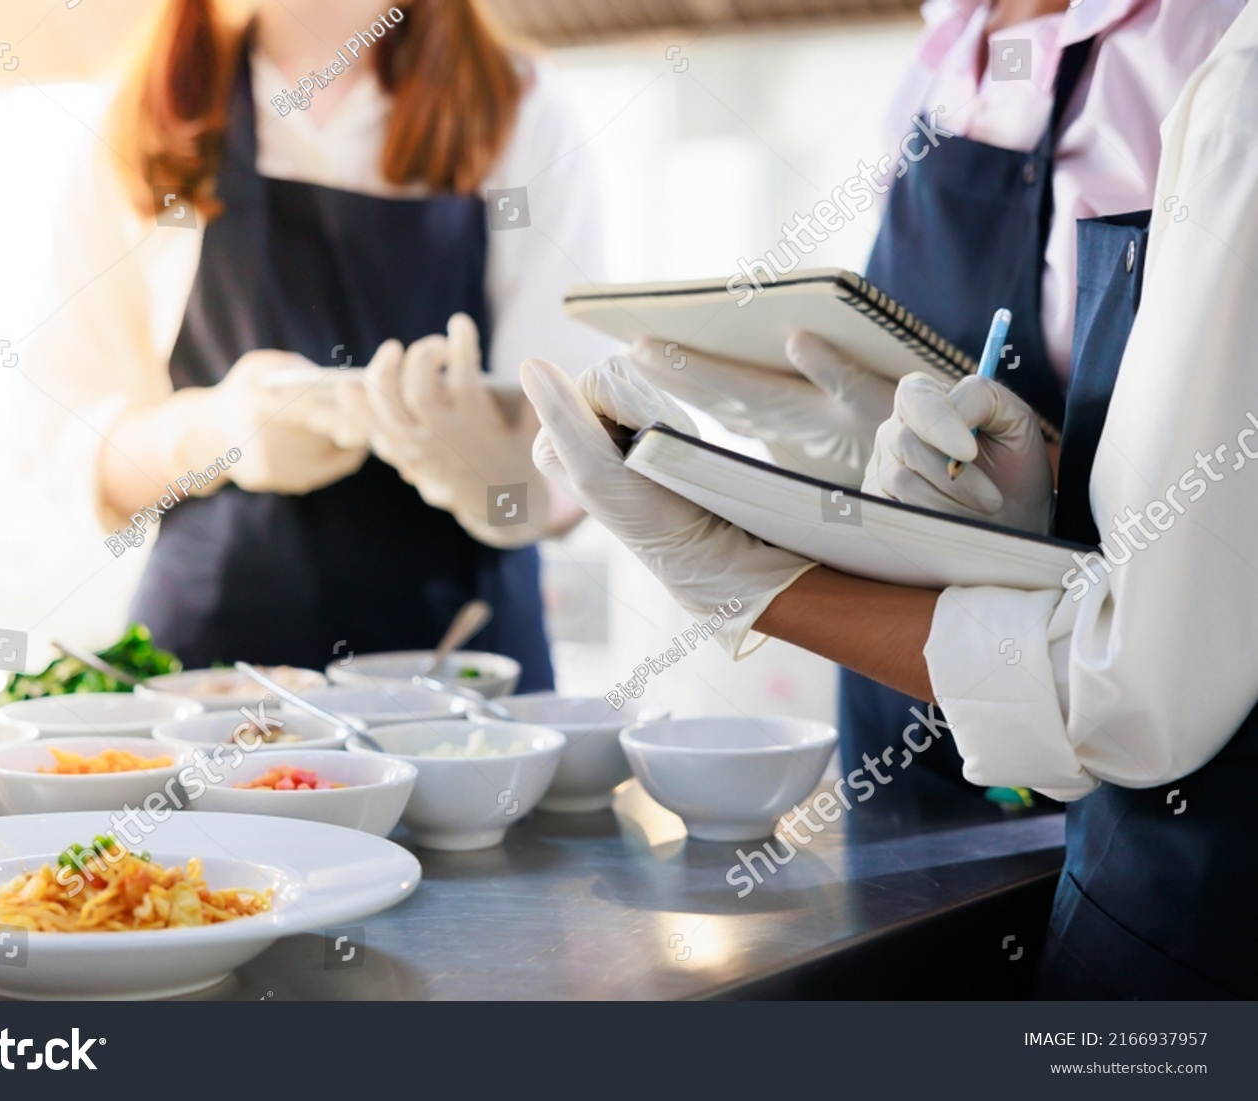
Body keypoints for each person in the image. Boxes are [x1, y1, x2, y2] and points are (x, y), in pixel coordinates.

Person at [524, 0, 1258, 999]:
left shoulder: (1218, 64)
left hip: (1172, 842)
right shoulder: (947, 51)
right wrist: (847, 453)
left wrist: (741, 575)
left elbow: (1134, 692)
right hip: (929, 721)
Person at [621, 0, 1242, 819]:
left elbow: (1204, 487)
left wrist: (1034, 499)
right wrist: (848, 451)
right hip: (893, 694)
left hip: (1090, 713)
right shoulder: (943, 49)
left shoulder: (1208, 48)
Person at [27, 0, 610, 685]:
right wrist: (211, 435)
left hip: (461, 687)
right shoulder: (150, 115)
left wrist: (505, 482)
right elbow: (59, 439)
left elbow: (587, 457)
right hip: (209, 685)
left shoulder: (521, 108)